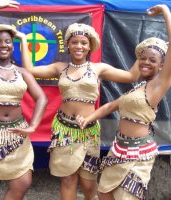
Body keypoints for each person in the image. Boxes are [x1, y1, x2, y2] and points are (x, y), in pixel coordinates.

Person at [20, 15, 140, 200]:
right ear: (67, 45)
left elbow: (132, 76)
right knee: (67, 180)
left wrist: (143, 52)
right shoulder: (60, 68)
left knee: (88, 183)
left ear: (90, 46)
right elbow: (29, 70)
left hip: (88, 132)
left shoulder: (99, 69)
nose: (79, 46)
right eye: (74, 42)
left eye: (83, 43)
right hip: (64, 131)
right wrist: (22, 39)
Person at [76, 4, 171, 200]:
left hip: (138, 154)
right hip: (118, 149)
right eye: (143, 58)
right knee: (104, 193)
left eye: (152, 60)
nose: (145, 62)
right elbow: (110, 106)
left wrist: (165, 12)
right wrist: (88, 119)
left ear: (162, 65)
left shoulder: (158, 86)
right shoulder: (138, 89)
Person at [0, 0, 48, 200]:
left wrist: (33, 126)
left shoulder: (22, 73)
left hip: (17, 132)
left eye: (7, 41)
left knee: (22, 182)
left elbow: (41, 98)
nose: (3, 45)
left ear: (11, 45)